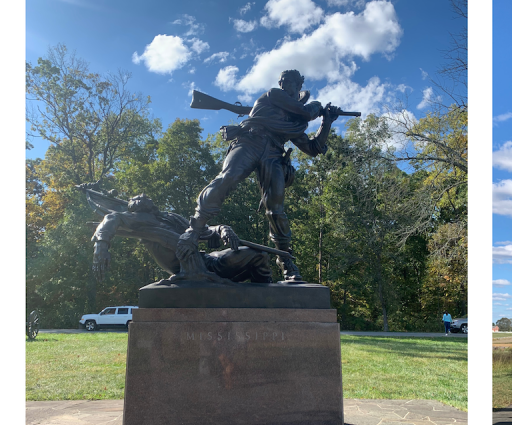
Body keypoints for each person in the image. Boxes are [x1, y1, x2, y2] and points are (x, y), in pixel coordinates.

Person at [178, 69, 341, 281]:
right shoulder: (274, 95)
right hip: (250, 141)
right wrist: (318, 106)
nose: (283, 83)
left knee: (276, 208)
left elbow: (313, 148)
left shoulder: (292, 122)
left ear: (298, 87)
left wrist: (326, 121)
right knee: (227, 177)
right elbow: (306, 112)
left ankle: (285, 260)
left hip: (273, 153)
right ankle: (195, 228)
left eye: (289, 82)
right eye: (282, 80)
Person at [89, 192, 273, 283]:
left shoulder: (170, 217)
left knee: (259, 255)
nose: (144, 197)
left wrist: (223, 229)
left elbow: (201, 229)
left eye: (146, 197)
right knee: (258, 255)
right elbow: (110, 218)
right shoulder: (136, 221)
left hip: (206, 259)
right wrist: (101, 247)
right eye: (139, 198)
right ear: (133, 207)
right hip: (191, 268)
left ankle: (265, 300)